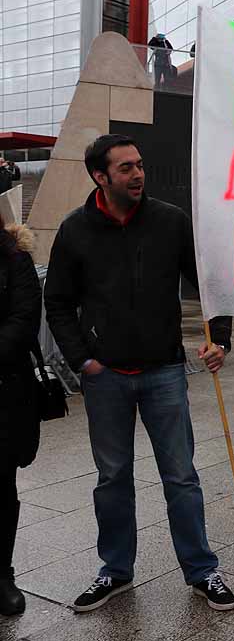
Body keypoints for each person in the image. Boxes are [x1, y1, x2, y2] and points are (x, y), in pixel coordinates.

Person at [44, 134, 234, 612]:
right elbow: (58, 303)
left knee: (181, 477)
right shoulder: (75, 230)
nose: (137, 174)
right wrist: (82, 360)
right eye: (125, 168)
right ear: (100, 176)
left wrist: (221, 337)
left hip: (165, 372)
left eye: (140, 165)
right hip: (105, 376)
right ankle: (115, 571)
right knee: (112, 478)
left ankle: (202, 571)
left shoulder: (169, 221)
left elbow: (210, 281)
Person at [0, 215, 41, 616]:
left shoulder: (15, 258)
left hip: (4, 391)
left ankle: (2, 574)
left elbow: (24, 321)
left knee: (0, 488)